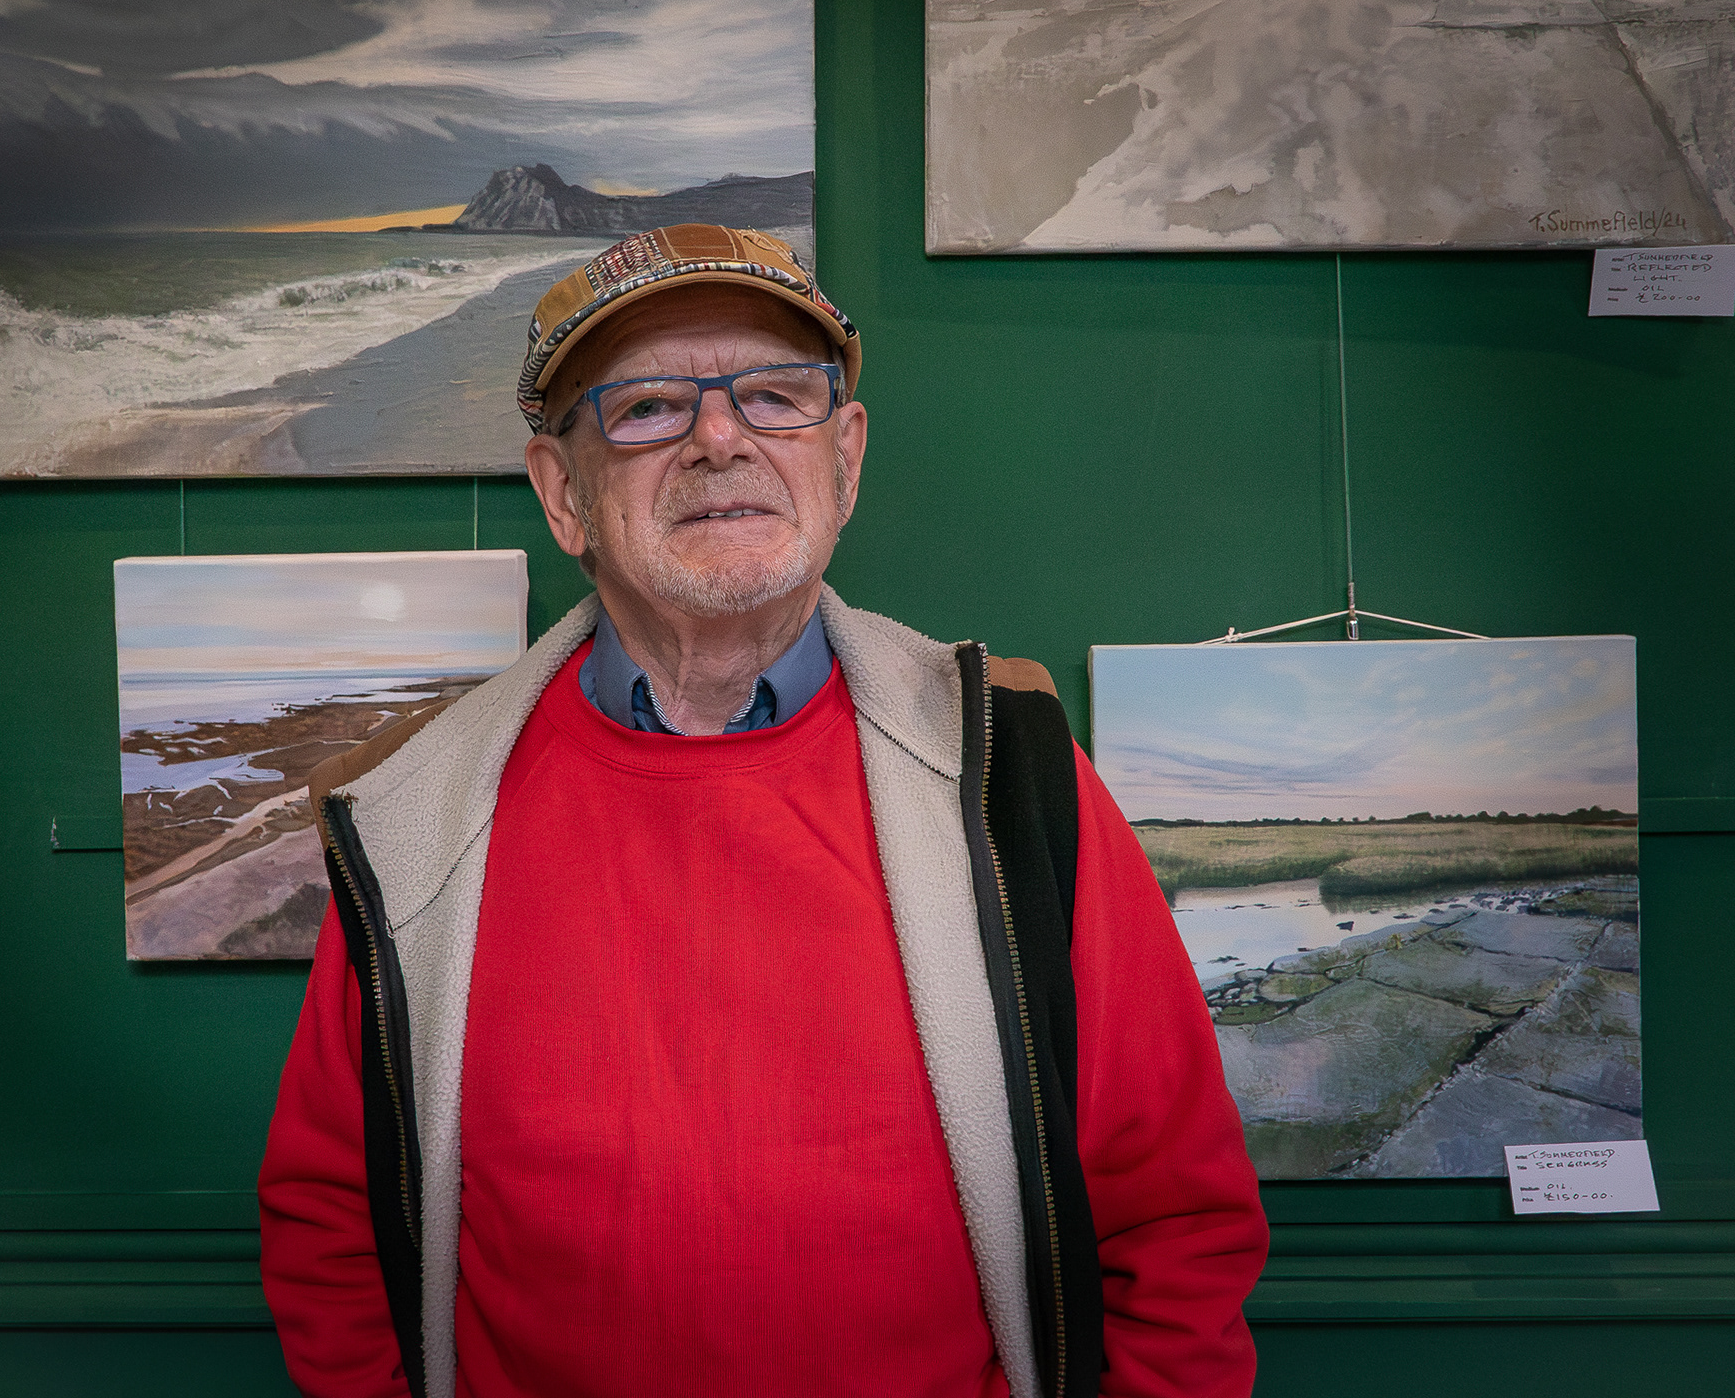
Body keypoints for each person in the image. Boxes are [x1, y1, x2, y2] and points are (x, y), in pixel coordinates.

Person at [258, 223, 1267, 1398]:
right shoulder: (417, 815)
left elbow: (1177, 1215)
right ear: (562, 494)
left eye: (776, 396)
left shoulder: (1013, 771)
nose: (719, 437)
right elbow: (328, 1223)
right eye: (644, 407)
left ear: (845, 458)